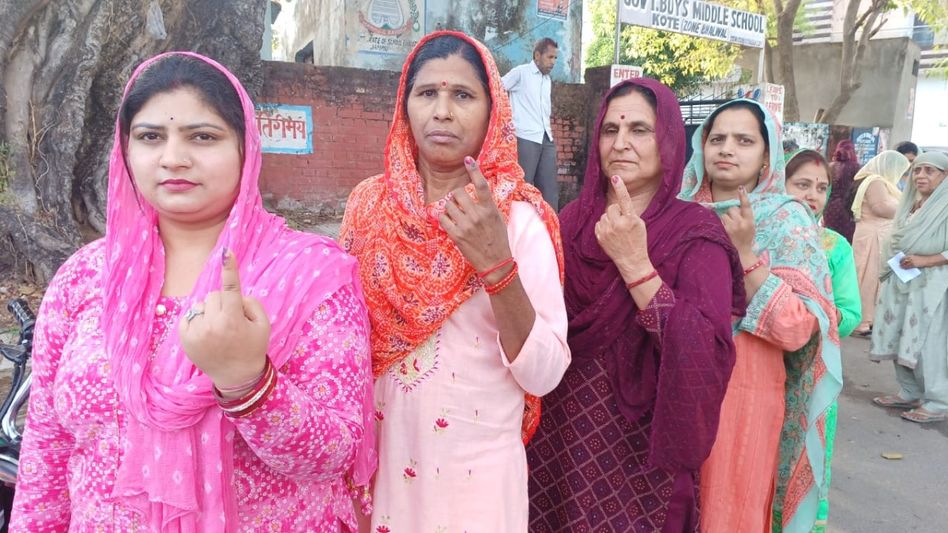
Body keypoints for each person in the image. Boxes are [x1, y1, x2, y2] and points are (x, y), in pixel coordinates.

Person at [10, 53, 375, 532]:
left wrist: (248, 381)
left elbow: (335, 456)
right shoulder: (86, 277)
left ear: (247, 148)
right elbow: (46, 452)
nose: (173, 158)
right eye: (150, 137)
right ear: (125, 150)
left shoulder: (309, 276)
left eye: (203, 136)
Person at [339, 31, 569, 531]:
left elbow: (545, 374)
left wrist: (497, 266)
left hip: (475, 482)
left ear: (493, 112)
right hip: (376, 469)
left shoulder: (518, 218)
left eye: (462, 95)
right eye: (427, 93)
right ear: (405, 107)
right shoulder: (367, 206)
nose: (442, 112)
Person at [526, 78, 745, 531]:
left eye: (640, 130)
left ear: (668, 138)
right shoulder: (570, 223)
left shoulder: (695, 232)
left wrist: (636, 264)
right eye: (610, 130)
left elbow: (706, 351)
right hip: (558, 438)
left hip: (642, 448)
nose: (621, 143)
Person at [680, 99, 841, 533]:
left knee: (727, 506)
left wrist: (747, 253)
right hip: (673, 379)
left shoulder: (789, 221)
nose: (726, 149)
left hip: (745, 389)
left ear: (767, 155)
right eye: (717, 139)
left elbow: (796, 329)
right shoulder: (678, 211)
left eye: (744, 140)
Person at [785, 149, 862, 532]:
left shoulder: (834, 247)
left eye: (821, 187)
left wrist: (809, 314)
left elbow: (850, 316)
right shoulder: (757, 234)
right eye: (801, 184)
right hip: (759, 367)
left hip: (812, 370)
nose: (812, 195)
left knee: (803, 457)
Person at [870, 151, 948, 424]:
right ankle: (910, 391)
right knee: (900, 334)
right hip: (903, 279)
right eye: (917, 170)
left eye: (930, 171)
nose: (921, 176)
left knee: (928, 342)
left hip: (933, 284)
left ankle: (938, 401)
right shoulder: (912, 203)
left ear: (945, 176)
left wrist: (926, 259)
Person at [850, 150, 910, 336]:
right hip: (872, 237)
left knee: (876, 279)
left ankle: (871, 319)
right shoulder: (875, 182)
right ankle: (861, 321)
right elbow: (881, 207)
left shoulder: (882, 182)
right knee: (868, 278)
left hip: (877, 237)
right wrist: (907, 209)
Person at [502, 37, 560, 208]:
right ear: (537, 55)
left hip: (546, 137)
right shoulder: (521, 73)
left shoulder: (547, 80)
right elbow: (497, 88)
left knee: (549, 190)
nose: (553, 62)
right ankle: (518, 229)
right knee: (522, 186)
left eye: (555, 58)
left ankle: (551, 231)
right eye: (550, 57)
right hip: (525, 137)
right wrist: (505, 122)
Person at [824, 140, 860, 243]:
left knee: (830, 239)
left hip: (830, 208)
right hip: (848, 209)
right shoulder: (856, 167)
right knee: (846, 241)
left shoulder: (829, 166)